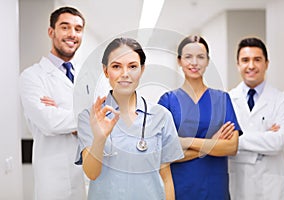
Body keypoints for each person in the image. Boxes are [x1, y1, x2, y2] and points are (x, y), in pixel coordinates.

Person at [75, 37, 184, 200]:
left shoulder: (161, 116)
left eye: (132, 66)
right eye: (116, 66)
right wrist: (99, 138)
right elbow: (91, 173)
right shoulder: (89, 117)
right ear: (105, 71)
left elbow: (166, 177)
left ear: (142, 69)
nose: (125, 74)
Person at [158, 35, 242, 200]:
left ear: (208, 61)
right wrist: (213, 144)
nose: (194, 62)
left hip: (215, 189)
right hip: (180, 190)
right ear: (179, 61)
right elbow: (163, 152)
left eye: (200, 57)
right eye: (188, 57)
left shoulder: (222, 99)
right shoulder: (167, 101)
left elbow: (231, 147)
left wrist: (183, 142)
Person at [19, 7, 86, 200]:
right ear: (51, 32)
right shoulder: (32, 76)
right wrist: (87, 118)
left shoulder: (85, 76)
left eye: (78, 29)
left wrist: (63, 113)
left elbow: (103, 118)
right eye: (65, 27)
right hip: (53, 177)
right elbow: (49, 122)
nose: (72, 34)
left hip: (86, 173)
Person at [228, 37, 284, 200]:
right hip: (238, 184)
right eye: (245, 60)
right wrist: (264, 136)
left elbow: (278, 142)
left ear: (266, 63)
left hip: (269, 187)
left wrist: (236, 139)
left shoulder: (282, 100)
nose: (251, 66)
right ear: (238, 65)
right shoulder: (227, 100)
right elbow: (222, 143)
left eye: (257, 60)